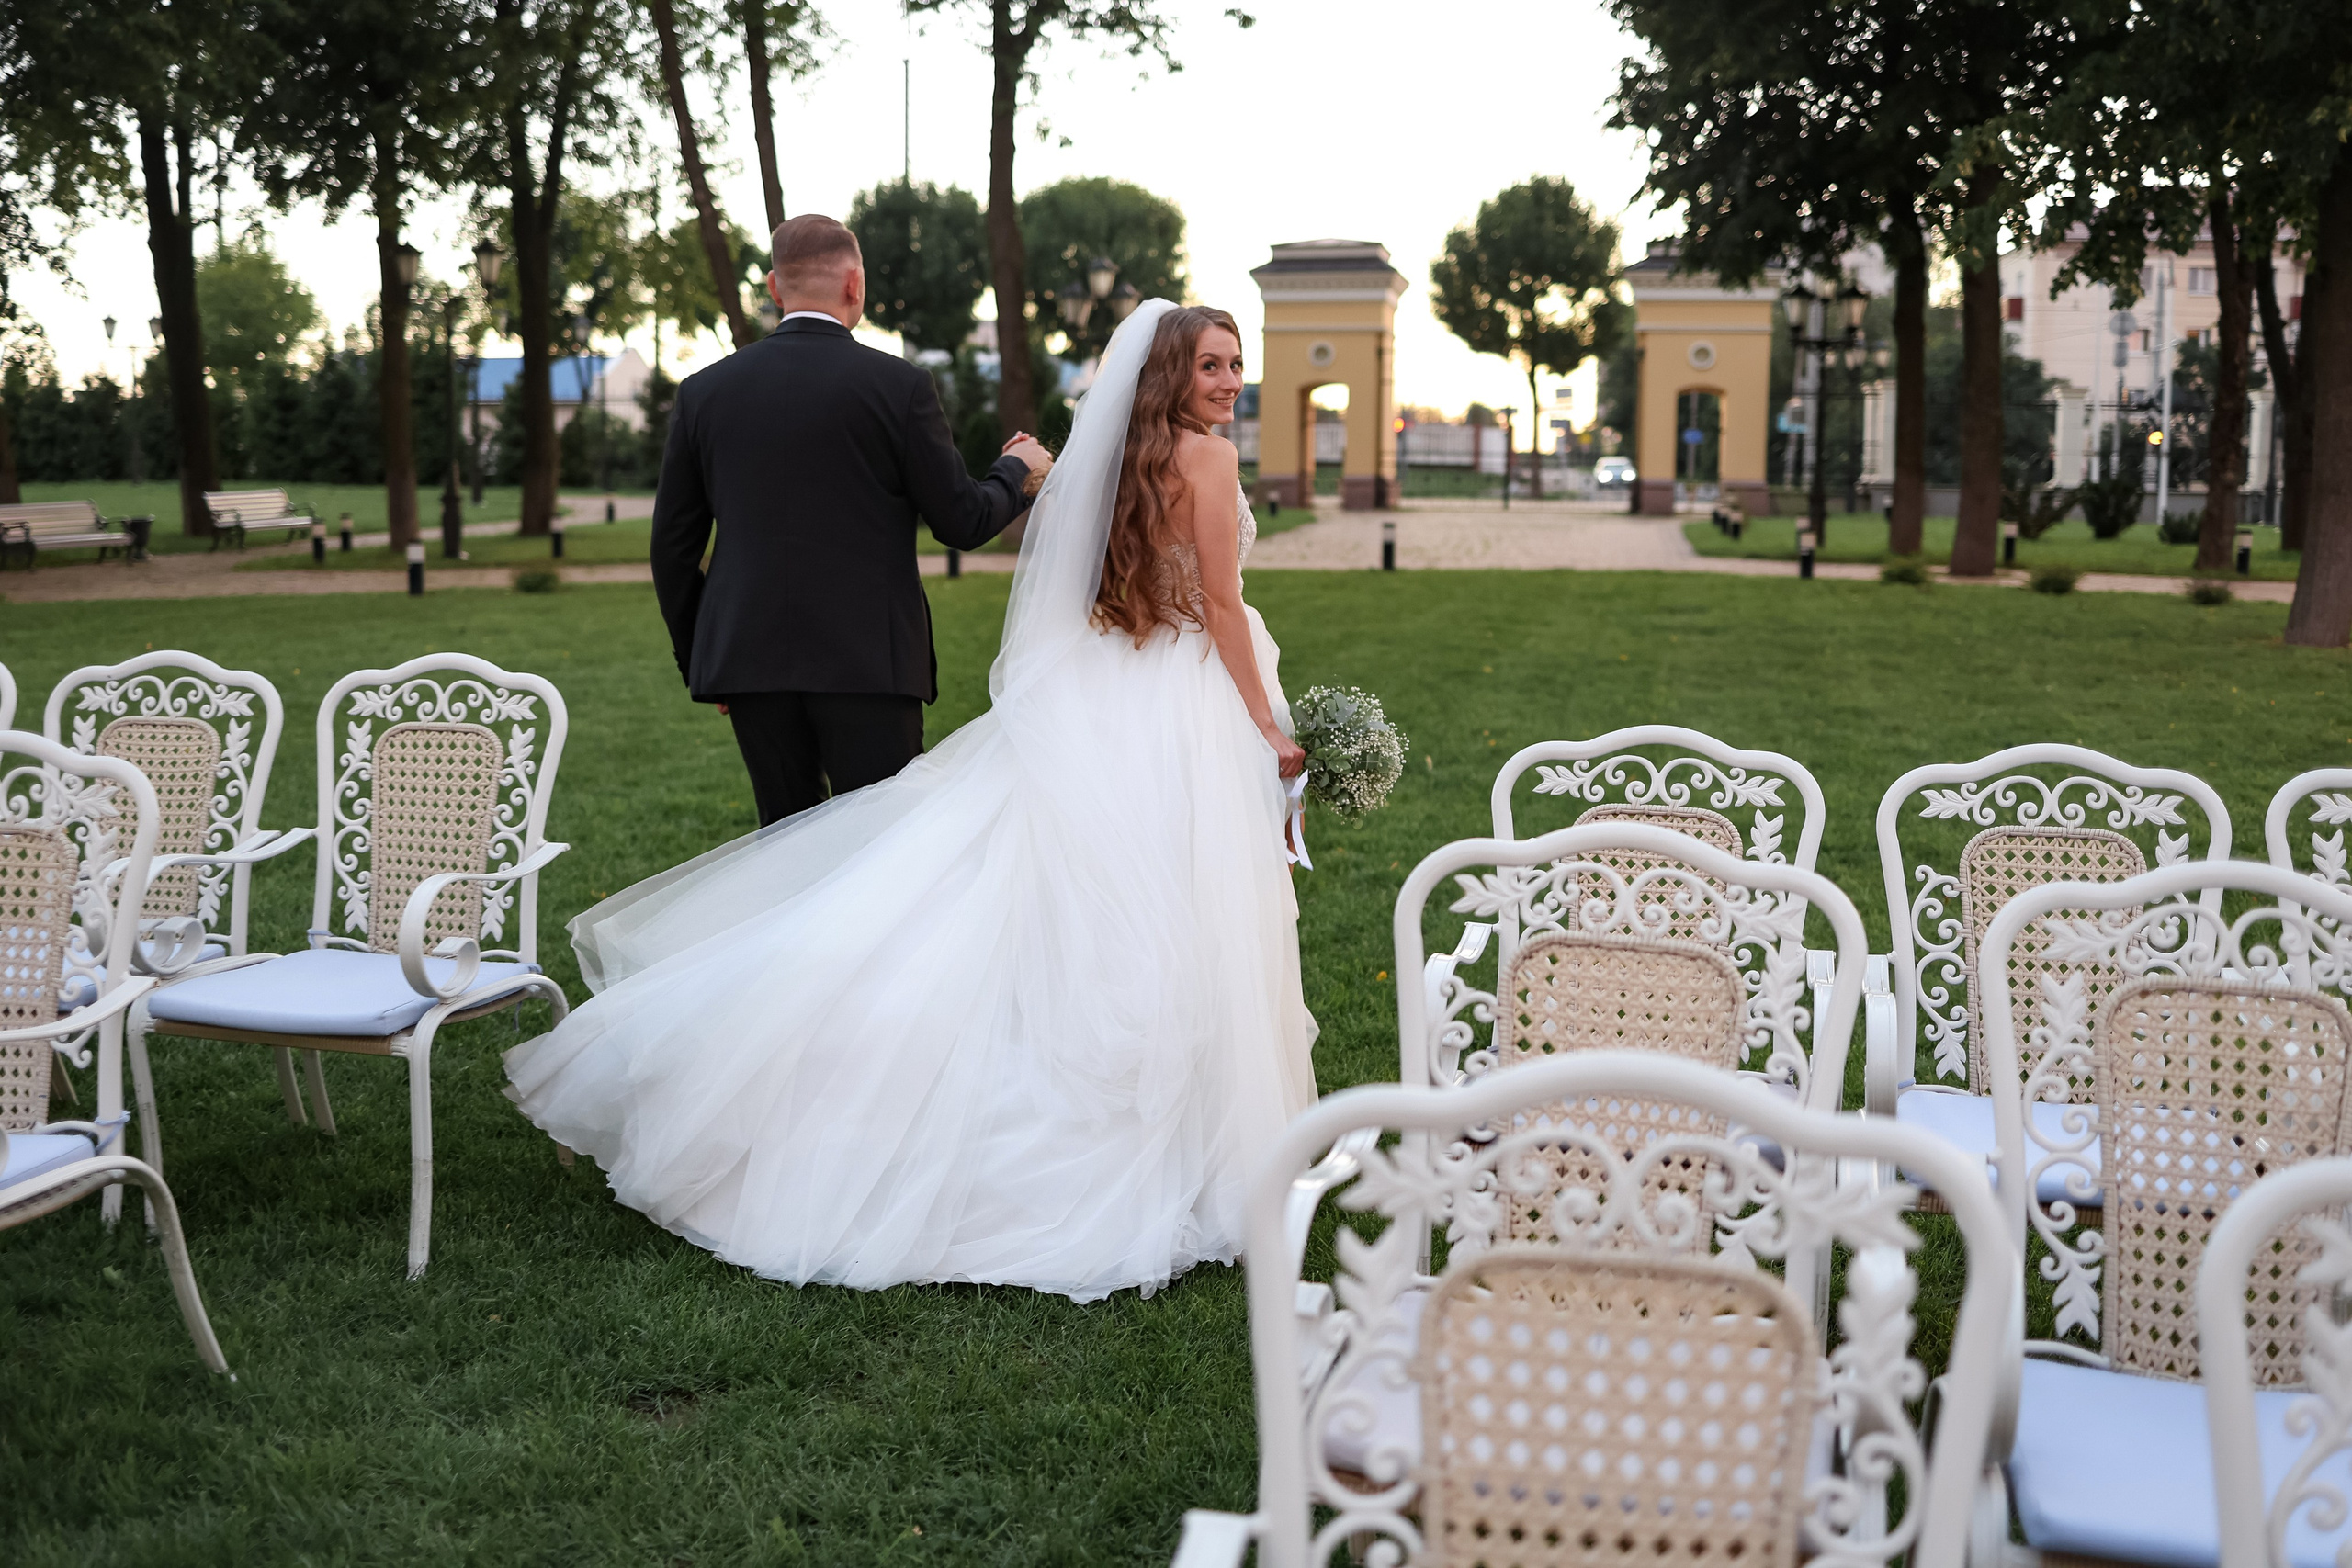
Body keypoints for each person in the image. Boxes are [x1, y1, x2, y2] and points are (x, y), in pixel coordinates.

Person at [507, 301, 1319, 1303]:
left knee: (1027, 889)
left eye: (1237, 364)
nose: (1229, 381)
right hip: (1178, 691)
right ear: (1168, 375)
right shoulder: (1207, 461)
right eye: (1209, 366)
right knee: (1170, 907)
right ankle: (1160, 1143)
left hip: (1115, 678)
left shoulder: (1104, 458)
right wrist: (1269, 727)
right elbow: (1224, 603)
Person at [650, 213, 1055, 827]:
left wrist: (707, 663)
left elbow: (672, 551)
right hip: (871, 663)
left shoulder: (705, 392)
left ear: (773, 288)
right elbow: (963, 521)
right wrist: (1014, 469)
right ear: (855, 286)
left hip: (750, 662)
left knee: (783, 843)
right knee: (881, 851)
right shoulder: (899, 387)